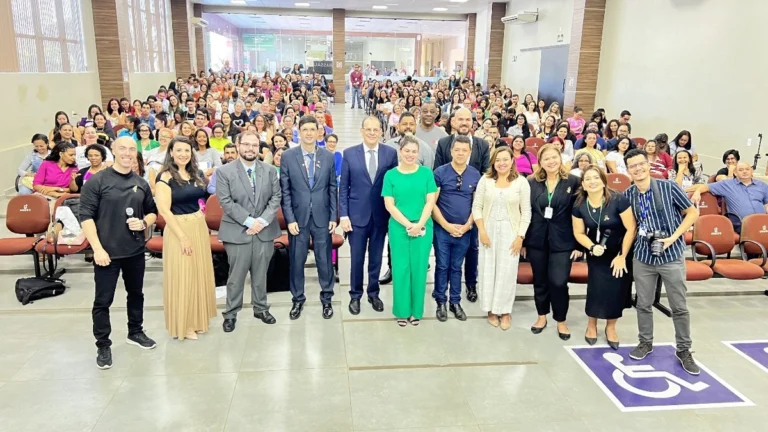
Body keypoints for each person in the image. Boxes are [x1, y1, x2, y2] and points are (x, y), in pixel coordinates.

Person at [79, 137, 158, 369]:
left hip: (134, 251)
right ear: (112, 150)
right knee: (103, 300)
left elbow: (153, 213)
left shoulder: (140, 182)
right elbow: (86, 217)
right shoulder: (97, 181)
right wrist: (97, 248)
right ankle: (103, 344)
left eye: (132, 149)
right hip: (106, 253)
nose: (127, 153)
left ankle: (135, 331)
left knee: (136, 294)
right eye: (122, 148)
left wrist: (144, 223)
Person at [623, 148, 700, 375]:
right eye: (632, 166)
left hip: (671, 254)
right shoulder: (628, 194)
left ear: (648, 164)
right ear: (627, 170)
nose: (637, 169)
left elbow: (692, 213)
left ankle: (684, 349)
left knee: (679, 306)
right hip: (643, 256)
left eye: (640, 164)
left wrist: (673, 237)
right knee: (643, 303)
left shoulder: (669, 187)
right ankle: (645, 342)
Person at [216, 131, 283, 332]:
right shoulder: (224, 172)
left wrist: (261, 221)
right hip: (238, 231)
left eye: (254, 145)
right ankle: (231, 313)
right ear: (238, 146)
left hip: (264, 230)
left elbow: (276, 197)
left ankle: (261, 308)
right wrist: (248, 221)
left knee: (261, 273)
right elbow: (225, 201)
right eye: (246, 144)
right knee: (236, 276)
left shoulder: (270, 170)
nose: (250, 148)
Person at [154, 137, 216, 340]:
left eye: (187, 150)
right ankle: (184, 324)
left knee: (198, 274)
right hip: (178, 229)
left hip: (198, 226)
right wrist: (182, 237)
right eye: (178, 150)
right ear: (171, 152)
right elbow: (164, 210)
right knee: (183, 276)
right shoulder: (165, 177)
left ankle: (198, 319)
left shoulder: (197, 173)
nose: (183, 154)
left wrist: (201, 216)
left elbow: (202, 198)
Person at [280, 115, 338, 320]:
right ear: (299, 131)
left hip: (322, 217)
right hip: (298, 219)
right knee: (297, 260)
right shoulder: (288, 156)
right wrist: (290, 219)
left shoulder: (328, 156)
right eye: (305, 129)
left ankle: (327, 299)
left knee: (324, 260)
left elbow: (333, 187)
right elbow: (285, 191)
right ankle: (297, 299)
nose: (309, 133)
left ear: (319, 132)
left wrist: (334, 216)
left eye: (313, 129)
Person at [339, 117, 399, 315]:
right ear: (362, 131)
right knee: (356, 259)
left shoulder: (390, 154)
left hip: (381, 216)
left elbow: (393, 186)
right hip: (357, 217)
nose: (372, 133)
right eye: (368, 129)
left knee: (375, 258)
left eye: (376, 129)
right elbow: (343, 188)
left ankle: (373, 293)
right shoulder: (349, 154)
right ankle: (355, 295)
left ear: (381, 131)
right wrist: (344, 215)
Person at [572, 166, 636, 348]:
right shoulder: (579, 205)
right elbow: (579, 233)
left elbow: (631, 228)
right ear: (583, 185)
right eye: (588, 179)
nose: (593, 182)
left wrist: (622, 255)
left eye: (596, 178)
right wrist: (591, 246)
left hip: (620, 251)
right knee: (596, 288)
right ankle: (591, 324)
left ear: (603, 181)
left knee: (617, 290)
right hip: (597, 252)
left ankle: (611, 327)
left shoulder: (618, 199)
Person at [433, 108, 491, 303]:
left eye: (468, 119)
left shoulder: (482, 145)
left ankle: (471, 284)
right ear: (454, 121)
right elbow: (438, 177)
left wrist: (470, 221)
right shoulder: (444, 143)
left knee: (471, 250)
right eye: (461, 119)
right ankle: (441, 292)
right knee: (443, 262)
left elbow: (485, 177)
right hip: (446, 215)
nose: (464, 122)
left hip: (471, 214)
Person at [525, 144, 582, 340]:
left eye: (554, 157)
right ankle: (542, 316)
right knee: (540, 281)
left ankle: (561, 319)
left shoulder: (574, 182)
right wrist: (523, 241)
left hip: (564, 240)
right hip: (536, 239)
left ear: (560, 158)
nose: (551, 161)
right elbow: (526, 213)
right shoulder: (531, 182)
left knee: (558, 282)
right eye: (546, 158)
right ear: (540, 162)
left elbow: (579, 213)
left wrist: (580, 244)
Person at [472, 146, 531, 330]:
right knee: (488, 270)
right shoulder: (486, 180)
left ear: (512, 161)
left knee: (506, 272)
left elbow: (526, 212)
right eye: (498, 160)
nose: (502, 163)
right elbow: (477, 207)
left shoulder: (521, 182)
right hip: (487, 230)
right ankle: (490, 309)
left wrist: (520, 236)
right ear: (493, 162)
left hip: (510, 232)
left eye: (505, 159)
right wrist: (482, 231)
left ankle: (505, 311)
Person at [382, 135, 438, 327]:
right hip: (399, 228)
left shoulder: (426, 174)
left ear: (418, 153)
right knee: (401, 268)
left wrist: (419, 224)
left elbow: (430, 201)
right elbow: (389, 205)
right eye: (407, 151)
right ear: (400, 151)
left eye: (414, 151)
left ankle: (416, 311)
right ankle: (402, 310)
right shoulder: (391, 175)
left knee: (419, 268)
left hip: (423, 226)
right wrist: (408, 225)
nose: (410, 154)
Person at [431, 136, 481, 322]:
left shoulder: (475, 175)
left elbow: (477, 205)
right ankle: (440, 301)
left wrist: (467, 225)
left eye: (464, 150)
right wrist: (446, 225)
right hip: (442, 230)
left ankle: (455, 301)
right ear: (451, 151)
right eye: (457, 149)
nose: (460, 153)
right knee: (442, 265)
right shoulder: (439, 173)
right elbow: (432, 204)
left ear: (469, 152)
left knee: (456, 267)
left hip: (465, 230)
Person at [691, 162, 768, 232]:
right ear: (735, 173)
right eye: (741, 170)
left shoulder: (762, 185)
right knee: (757, 234)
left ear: (752, 171)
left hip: (762, 222)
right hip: (741, 223)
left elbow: (766, 205)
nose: (745, 171)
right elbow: (706, 187)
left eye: (747, 169)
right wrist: (697, 192)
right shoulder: (727, 184)